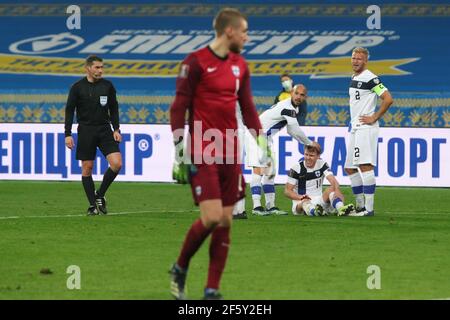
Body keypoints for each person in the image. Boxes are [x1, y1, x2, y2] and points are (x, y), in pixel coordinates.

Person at [168, 8, 266, 300]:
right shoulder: (195, 62)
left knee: (225, 220)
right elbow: (178, 107)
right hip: (203, 150)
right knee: (211, 217)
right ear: (229, 32)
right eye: (245, 32)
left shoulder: (240, 65)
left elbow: (247, 107)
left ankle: (212, 289)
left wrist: (262, 142)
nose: (247, 37)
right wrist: (180, 148)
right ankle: (180, 267)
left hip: (231, 152)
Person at [241, 84, 320, 216]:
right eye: (296, 93)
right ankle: (257, 206)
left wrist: (306, 144)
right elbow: (295, 129)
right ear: (291, 93)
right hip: (255, 135)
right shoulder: (287, 107)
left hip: (265, 138)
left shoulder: (294, 108)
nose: (298, 97)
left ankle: (270, 206)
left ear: (306, 97)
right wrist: (310, 143)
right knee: (259, 170)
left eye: (302, 95)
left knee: (270, 173)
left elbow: (290, 130)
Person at [64, 55, 122, 216]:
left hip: (104, 129)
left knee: (117, 164)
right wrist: (67, 134)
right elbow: (69, 111)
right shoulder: (77, 88)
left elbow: (114, 108)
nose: (100, 70)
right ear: (88, 68)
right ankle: (92, 205)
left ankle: (99, 194)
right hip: (86, 130)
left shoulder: (108, 86)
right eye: (97, 67)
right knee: (87, 168)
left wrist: (116, 129)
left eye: (102, 67)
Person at [344, 47, 393, 217]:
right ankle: (360, 205)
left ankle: (369, 209)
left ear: (365, 61)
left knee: (365, 166)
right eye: (353, 58)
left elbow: (388, 98)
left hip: (366, 128)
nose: (355, 61)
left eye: (359, 59)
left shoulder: (371, 78)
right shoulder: (354, 77)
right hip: (355, 128)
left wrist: (374, 116)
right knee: (350, 167)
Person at [285, 145, 355, 216]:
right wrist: (301, 197)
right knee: (305, 202)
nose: (308, 158)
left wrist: (337, 190)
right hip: (300, 203)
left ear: (318, 156)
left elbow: (333, 180)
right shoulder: (296, 168)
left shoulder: (322, 164)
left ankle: (341, 209)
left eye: (311, 155)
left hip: (319, 201)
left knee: (331, 189)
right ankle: (314, 211)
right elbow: (287, 191)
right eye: (306, 154)